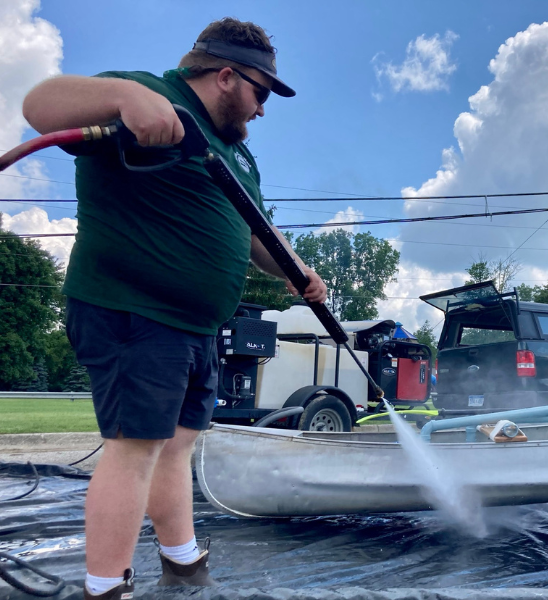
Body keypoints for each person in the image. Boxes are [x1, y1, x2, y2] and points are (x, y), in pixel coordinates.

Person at [22, 18, 325, 600]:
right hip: (133, 311)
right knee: (135, 447)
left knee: (179, 443)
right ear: (227, 76)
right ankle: (105, 588)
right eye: (261, 92)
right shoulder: (145, 93)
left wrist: (297, 269)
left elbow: (258, 231)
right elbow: (39, 104)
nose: (263, 110)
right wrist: (125, 97)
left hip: (196, 326)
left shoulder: (238, 158)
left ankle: (181, 560)